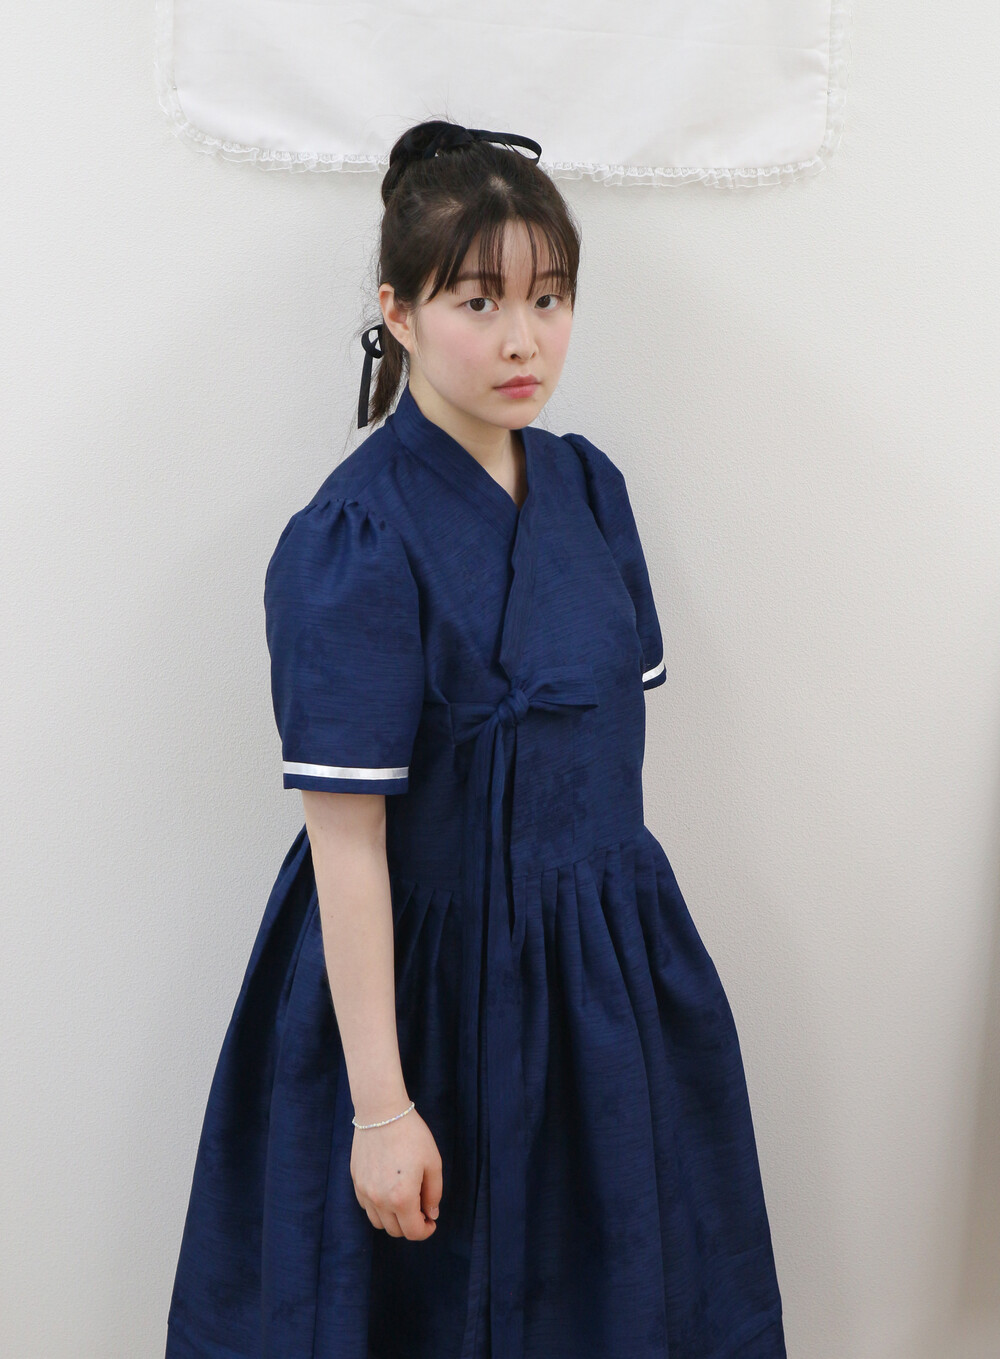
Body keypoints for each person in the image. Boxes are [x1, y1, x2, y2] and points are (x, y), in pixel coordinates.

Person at [165, 118, 787, 1359]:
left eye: (548, 298)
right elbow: (346, 848)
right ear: (397, 313)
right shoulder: (353, 538)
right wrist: (379, 1110)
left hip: (603, 983)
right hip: (420, 996)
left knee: (630, 1297)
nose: (522, 340)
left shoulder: (589, 491)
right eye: (478, 300)